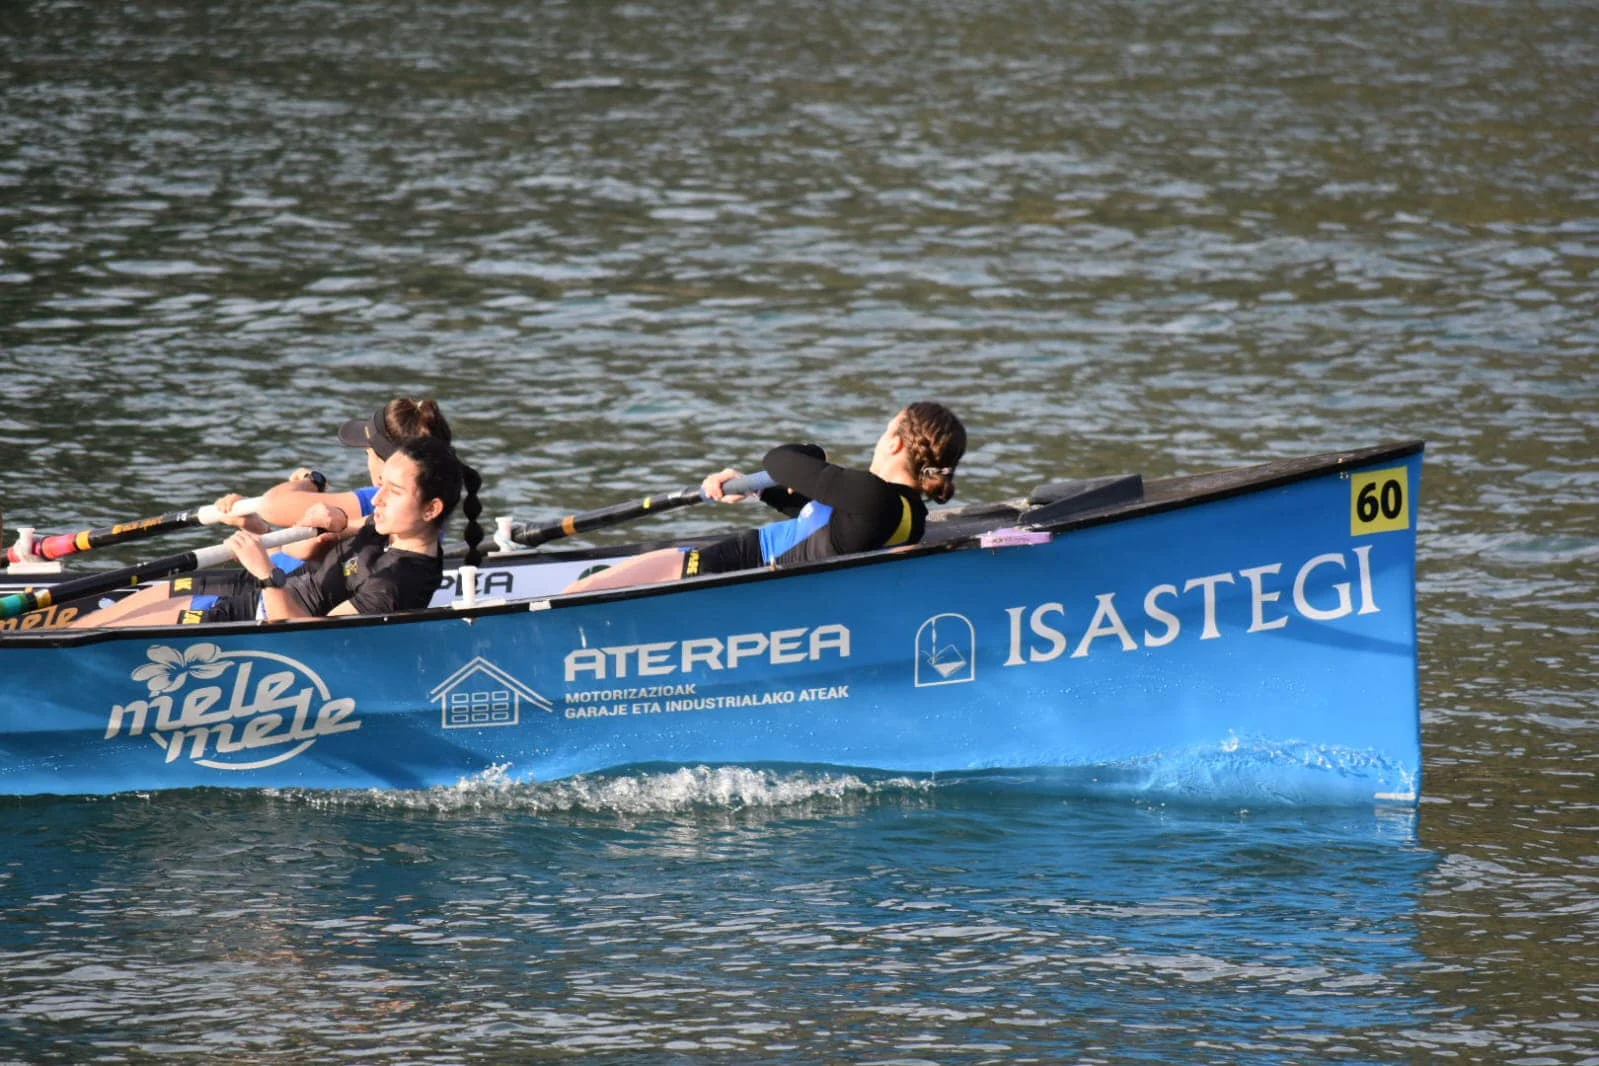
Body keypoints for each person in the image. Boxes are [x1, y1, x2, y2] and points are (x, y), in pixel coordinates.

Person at [71, 398, 457, 627]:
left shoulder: (395, 583)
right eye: (381, 487)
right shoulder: (383, 525)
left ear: (431, 509)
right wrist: (322, 527)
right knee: (90, 626)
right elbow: (304, 550)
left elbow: (315, 641)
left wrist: (266, 574)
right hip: (251, 591)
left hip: (256, 615)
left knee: (88, 639)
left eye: (392, 490)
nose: (377, 498)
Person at [564, 401, 966, 593]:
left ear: (895, 444)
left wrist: (814, 454)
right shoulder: (909, 514)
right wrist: (753, 487)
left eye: (885, 431)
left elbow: (779, 460)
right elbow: (819, 522)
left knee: (577, 593)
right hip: (762, 576)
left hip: (732, 569)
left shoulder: (869, 493)